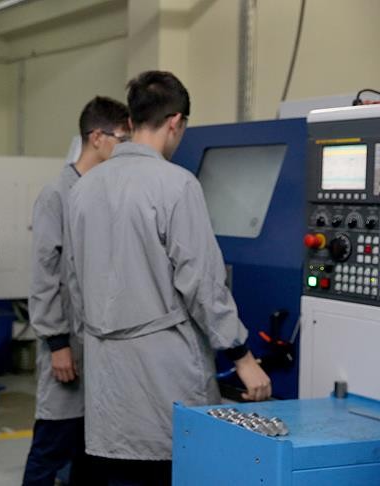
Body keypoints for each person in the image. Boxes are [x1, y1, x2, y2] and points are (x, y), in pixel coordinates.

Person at [66, 71, 271, 485]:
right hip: (165, 376)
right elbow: (203, 285)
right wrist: (243, 358)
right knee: (174, 466)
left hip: (106, 379)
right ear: (175, 122)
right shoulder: (177, 186)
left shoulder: (83, 189)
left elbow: (74, 284)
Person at [23, 96, 129, 486]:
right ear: (98, 138)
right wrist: (57, 342)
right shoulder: (58, 195)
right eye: (123, 138)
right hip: (67, 347)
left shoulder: (105, 192)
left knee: (91, 451)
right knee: (52, 445)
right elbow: (44, 275)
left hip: (101, 348)